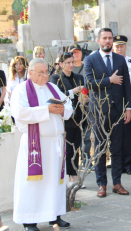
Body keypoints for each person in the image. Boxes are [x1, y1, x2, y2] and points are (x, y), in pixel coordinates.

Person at [11, 58, 72, 231]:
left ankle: (55, 215)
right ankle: (29, 221)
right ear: (30, 73)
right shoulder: (21, 90)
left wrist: (63, 109)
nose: (45, 75)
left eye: (47, 72)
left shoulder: (52, 88)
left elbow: (68, 105)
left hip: (55, 144)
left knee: (55, 181)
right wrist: (47, 110)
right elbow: (20, 113)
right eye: (41, 72)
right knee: (34, 183)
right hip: (35, 145)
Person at [84, 28, 131, 197]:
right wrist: (109, 81)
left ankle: (117, 183)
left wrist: (128, 108)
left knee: (117, 148)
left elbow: (126, 85)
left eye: (110, 38)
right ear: (98, 40)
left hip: (118, 111)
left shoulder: (120, 59)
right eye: (104, 38)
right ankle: (101, 184)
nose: (107, 41)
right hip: (99, 111)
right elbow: (89, 83)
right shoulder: (90, 59)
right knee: (99, 148)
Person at [50, 52, 86, 188]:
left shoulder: (78, 77)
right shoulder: (55, 78)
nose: (71, 65)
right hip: (64, 118)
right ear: (60, 64)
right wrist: (74, 91)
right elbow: (57, 97)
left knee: (76, 147)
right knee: (67, 149)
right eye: (67, 63)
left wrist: (84, 98)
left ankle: (74, 176)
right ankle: (65, 177)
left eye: (72, 62)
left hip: (79, 116)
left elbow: (84, 93)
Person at [112, 35, 131, 175]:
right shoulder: (109, 63)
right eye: (117, 46)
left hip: (128, 100)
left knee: (128, 133)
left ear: (125, 47)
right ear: (113, 47)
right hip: (113, 101)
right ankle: (116, 162)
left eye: (121, 46)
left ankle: (129, 164)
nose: (119, 49)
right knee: (114, 133)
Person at [69, 44, 92, 169]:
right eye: (73, 52)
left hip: (85, 106)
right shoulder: (67, 69)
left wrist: (88, 98)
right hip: (71, 108)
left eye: (78, 52)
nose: (75, 54)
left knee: (87, 135)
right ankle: (73, 162)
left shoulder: (87, 67)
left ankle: (86, 159)